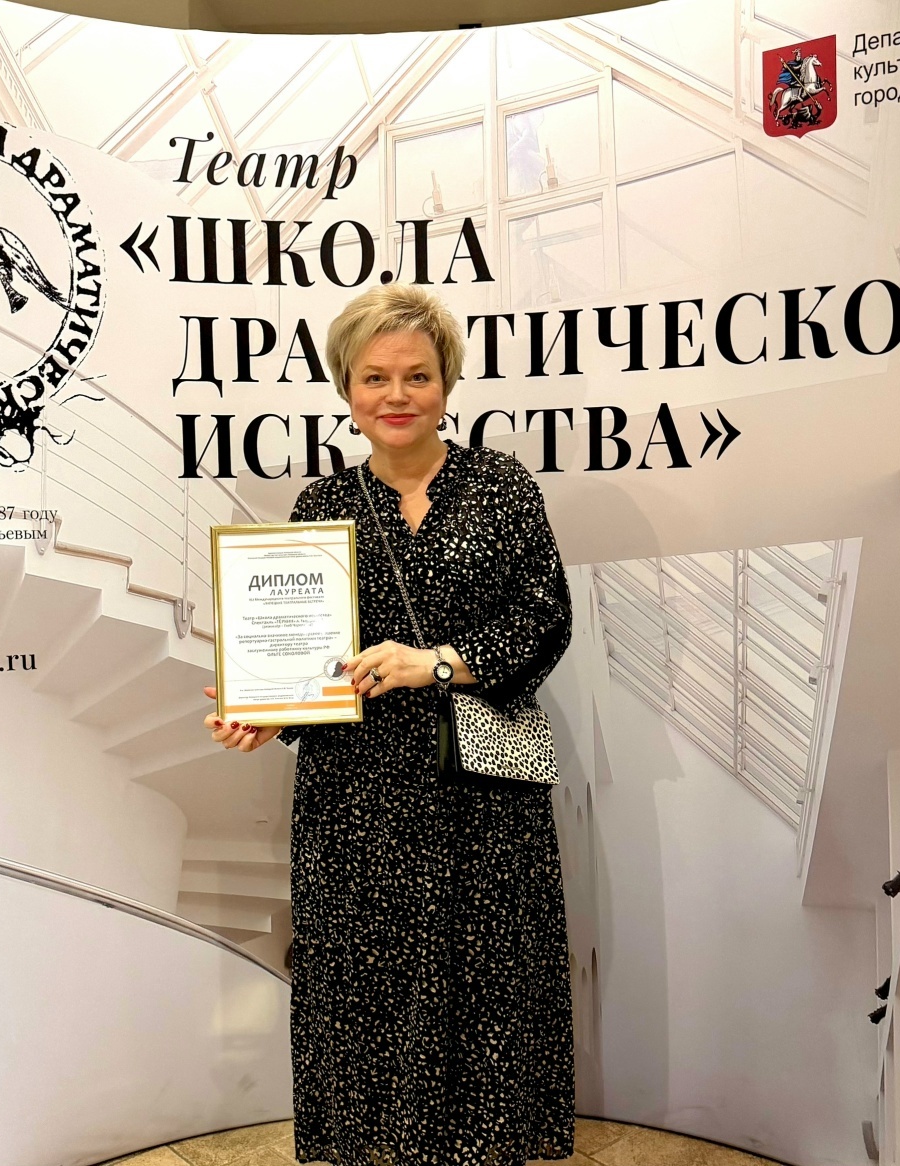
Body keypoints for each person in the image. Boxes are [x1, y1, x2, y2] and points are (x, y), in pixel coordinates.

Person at [203, 283, 575, 1166]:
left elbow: (545, 619)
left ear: (447, 383)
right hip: (354, 794)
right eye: (375, 377)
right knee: (361, 984)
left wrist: (434, 662)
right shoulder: (320, 503)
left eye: (418, 375)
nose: (397, 395)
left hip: (477, 791)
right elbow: (309, 657)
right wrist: (267, 717)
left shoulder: (501, 488)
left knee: (483, 982)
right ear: (347, 388)